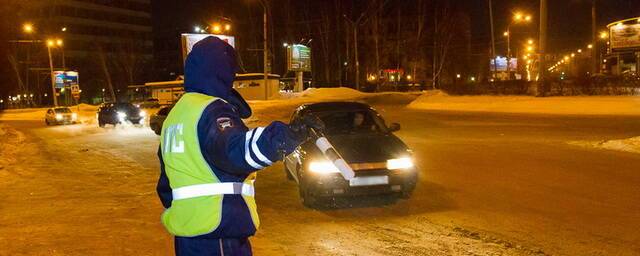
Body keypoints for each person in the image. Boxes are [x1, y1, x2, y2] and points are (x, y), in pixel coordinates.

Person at [156, 36, 316, 256]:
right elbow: (236, 151)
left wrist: (188, 212)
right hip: (219, 230)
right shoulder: (210, 109)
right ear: (221, 71)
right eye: (231, 72)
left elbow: (166, 184)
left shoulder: (177, 115)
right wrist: (286, 136)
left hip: (190, 236)